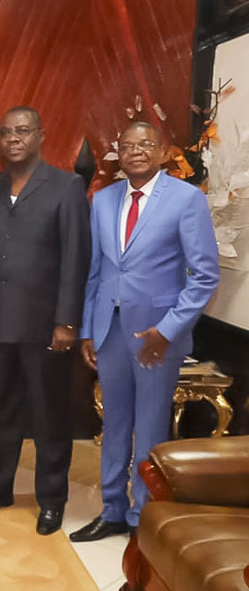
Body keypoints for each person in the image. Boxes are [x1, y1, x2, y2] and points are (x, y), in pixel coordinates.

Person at [70, 121, 219, 542]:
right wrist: (88, 329)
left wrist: (167, 330)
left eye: (145, 144)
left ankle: (143, 517)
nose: (136, 151)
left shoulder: (186, 199)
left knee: (150, 425)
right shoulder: (103, 199)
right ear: (118, 153)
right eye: (127, 145)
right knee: (114, 423)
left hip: (157, 336)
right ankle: (112, 510)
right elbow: (96, 272)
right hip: (110, 330)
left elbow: (205, 276)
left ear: (162, 152)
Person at [0, 106, 91, 535]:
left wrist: (67, 322)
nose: (13, 139)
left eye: (22, 131)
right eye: (6, 133)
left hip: (45, 326)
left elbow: (75, 257)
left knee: (48, 415)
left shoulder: (67, 187)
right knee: (0, 411)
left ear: (40, 135)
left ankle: (51, 500)